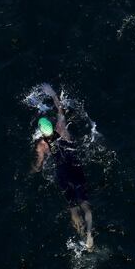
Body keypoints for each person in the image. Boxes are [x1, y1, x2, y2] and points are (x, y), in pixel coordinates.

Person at [31, 85, 94, 250]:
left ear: (42, 132)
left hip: (62, 173)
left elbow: (38, 166)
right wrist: (52, 94)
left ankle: (82, 236)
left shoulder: (42, 144)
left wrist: (33, 170)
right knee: (85, 204)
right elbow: (60, 108)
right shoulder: (62, 128)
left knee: (72, 207)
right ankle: (89, 234)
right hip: (75, 167)